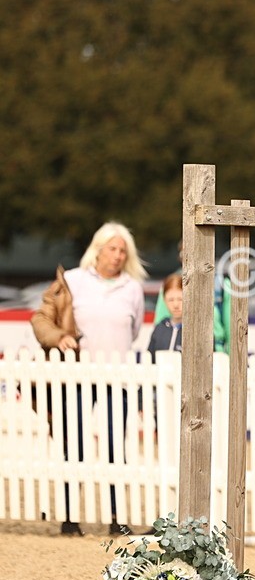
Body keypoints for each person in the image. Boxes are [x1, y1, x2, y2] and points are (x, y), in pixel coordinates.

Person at [30, 222, 148, 534]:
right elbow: (42, 317)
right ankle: (70, 519)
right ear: (98, 250)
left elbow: (133, 330)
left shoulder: (133, 288)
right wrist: (58, 338)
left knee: (114, 449)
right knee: (77, 446)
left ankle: (116, 519)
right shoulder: (71, 281)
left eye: (123, 250)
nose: (119, 255)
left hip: (117, 379)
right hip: (78, 377)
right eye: (113, 248)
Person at [153, 240, 232, 353]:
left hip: (216, 356)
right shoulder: (170, 285)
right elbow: (161, 327)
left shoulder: (222, 286)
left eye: (198, 253)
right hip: (174, 355)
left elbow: (232, 332)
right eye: (185, 254)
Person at [147, 274, 184, 356]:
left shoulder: (195, 331)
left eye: (180, 299)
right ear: (164, 300)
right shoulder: (159, 328)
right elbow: (150, 358)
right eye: (171, 300)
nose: (176, 305)